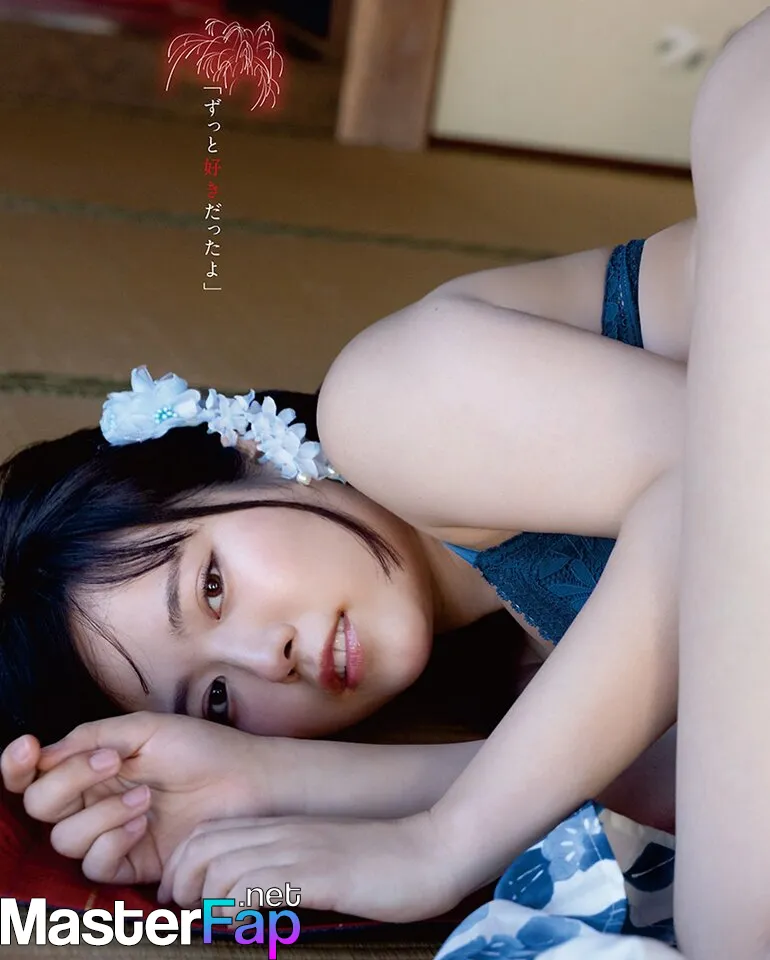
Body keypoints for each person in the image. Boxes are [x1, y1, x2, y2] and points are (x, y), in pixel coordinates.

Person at [1, 7, 767, 951]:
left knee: (734, 922)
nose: (267, 659)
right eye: (216, 699)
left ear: (244, 450)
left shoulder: (386, 402)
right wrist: (284, 781)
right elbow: (705, 765)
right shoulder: (539, 667)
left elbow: (723, 488)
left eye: (211, 586)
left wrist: (440, 843)